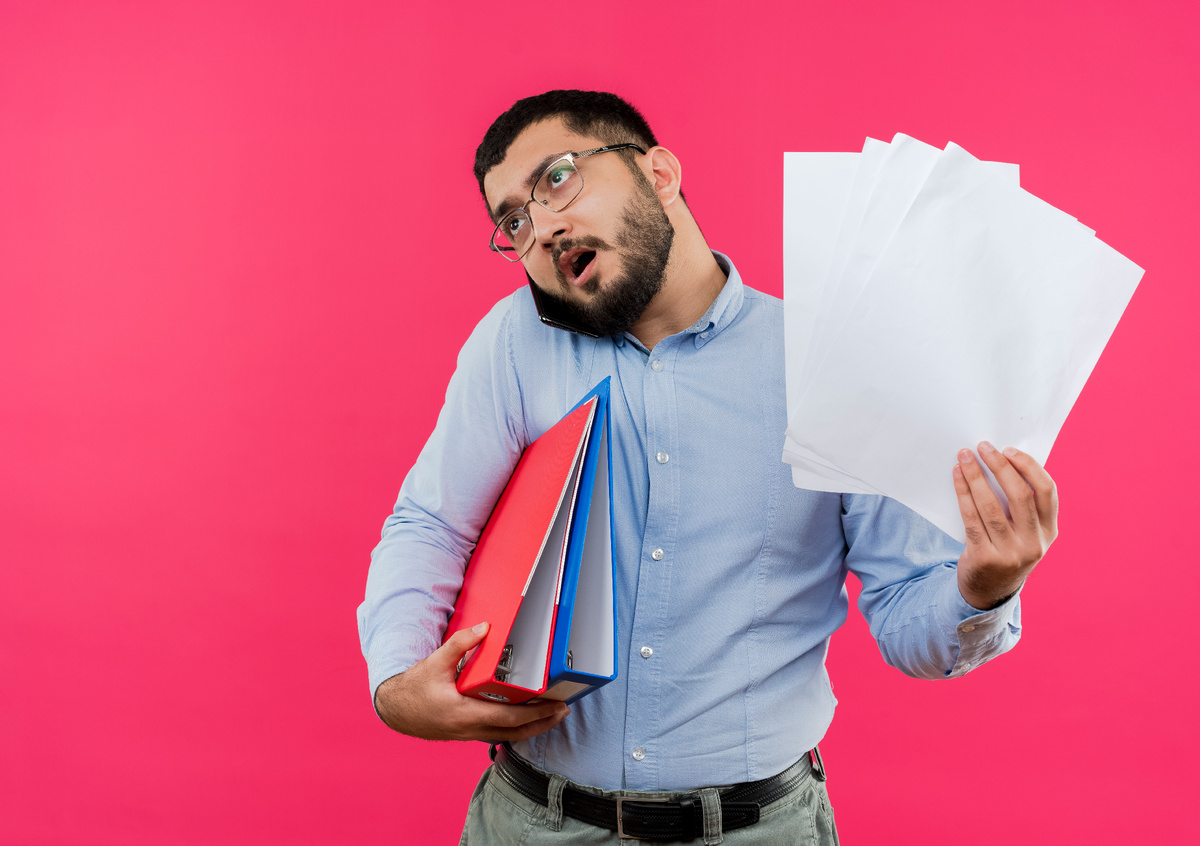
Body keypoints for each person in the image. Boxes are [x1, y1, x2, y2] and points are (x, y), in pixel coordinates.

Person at [357, 90, 1058, 844]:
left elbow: (907, 624)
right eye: (513, 222)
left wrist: (984, 588)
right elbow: (430, 525)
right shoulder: (512, 344)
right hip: (533, 821)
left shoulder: (830, 365)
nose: (542, 227)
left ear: (658, 173)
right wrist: (397, 683)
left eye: (558, 178)